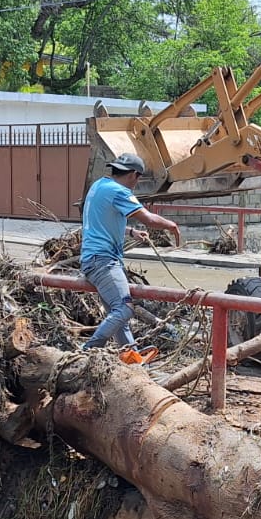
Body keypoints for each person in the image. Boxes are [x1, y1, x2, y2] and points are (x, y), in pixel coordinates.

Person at [81, 153, 182, 363]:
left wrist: (130, 232)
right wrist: (171, 226)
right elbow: (148, 218)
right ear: (135, 175)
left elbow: (102, 220)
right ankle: (87, 351)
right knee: (124, 309)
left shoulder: (99, 186)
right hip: (104, 262)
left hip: (92, 259)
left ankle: (133, 360)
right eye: (138, 178)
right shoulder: (119, 191)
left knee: (118, 318)